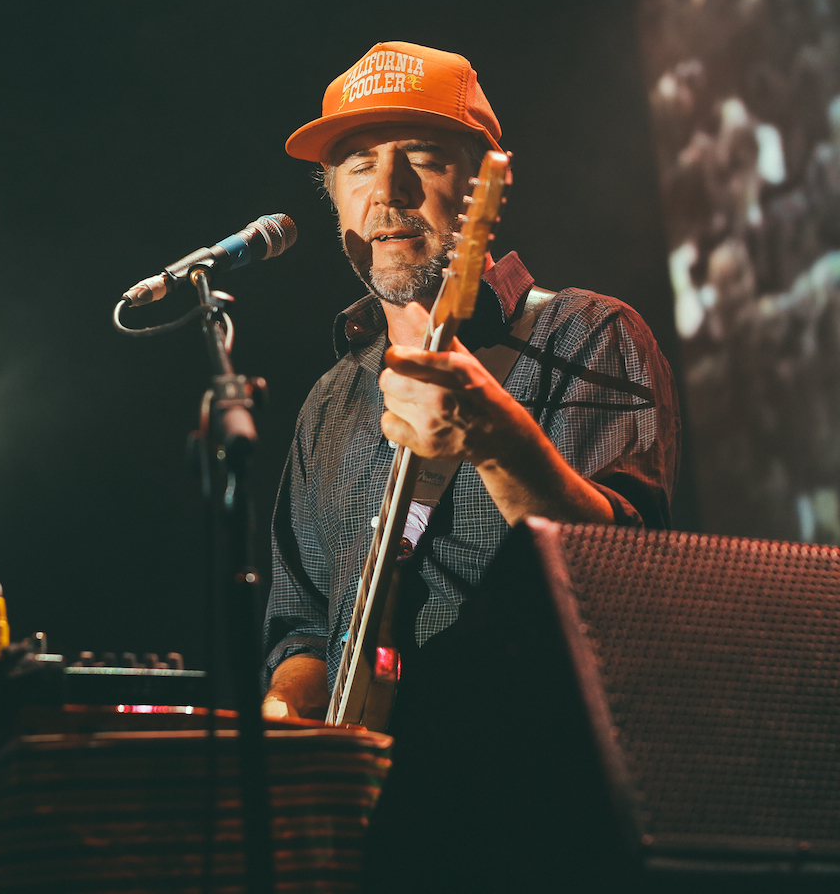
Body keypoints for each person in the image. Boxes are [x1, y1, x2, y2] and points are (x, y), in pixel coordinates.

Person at [260, 41, 681, 726]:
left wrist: (494, 436)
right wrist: (296, 709)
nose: (387, 190)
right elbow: (301, 624)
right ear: (333, 196)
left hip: (532, 781)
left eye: (421, 157)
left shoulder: (590, 335)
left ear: (483, 183)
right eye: (358, 162)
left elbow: (623, 580)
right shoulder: (329, 403)